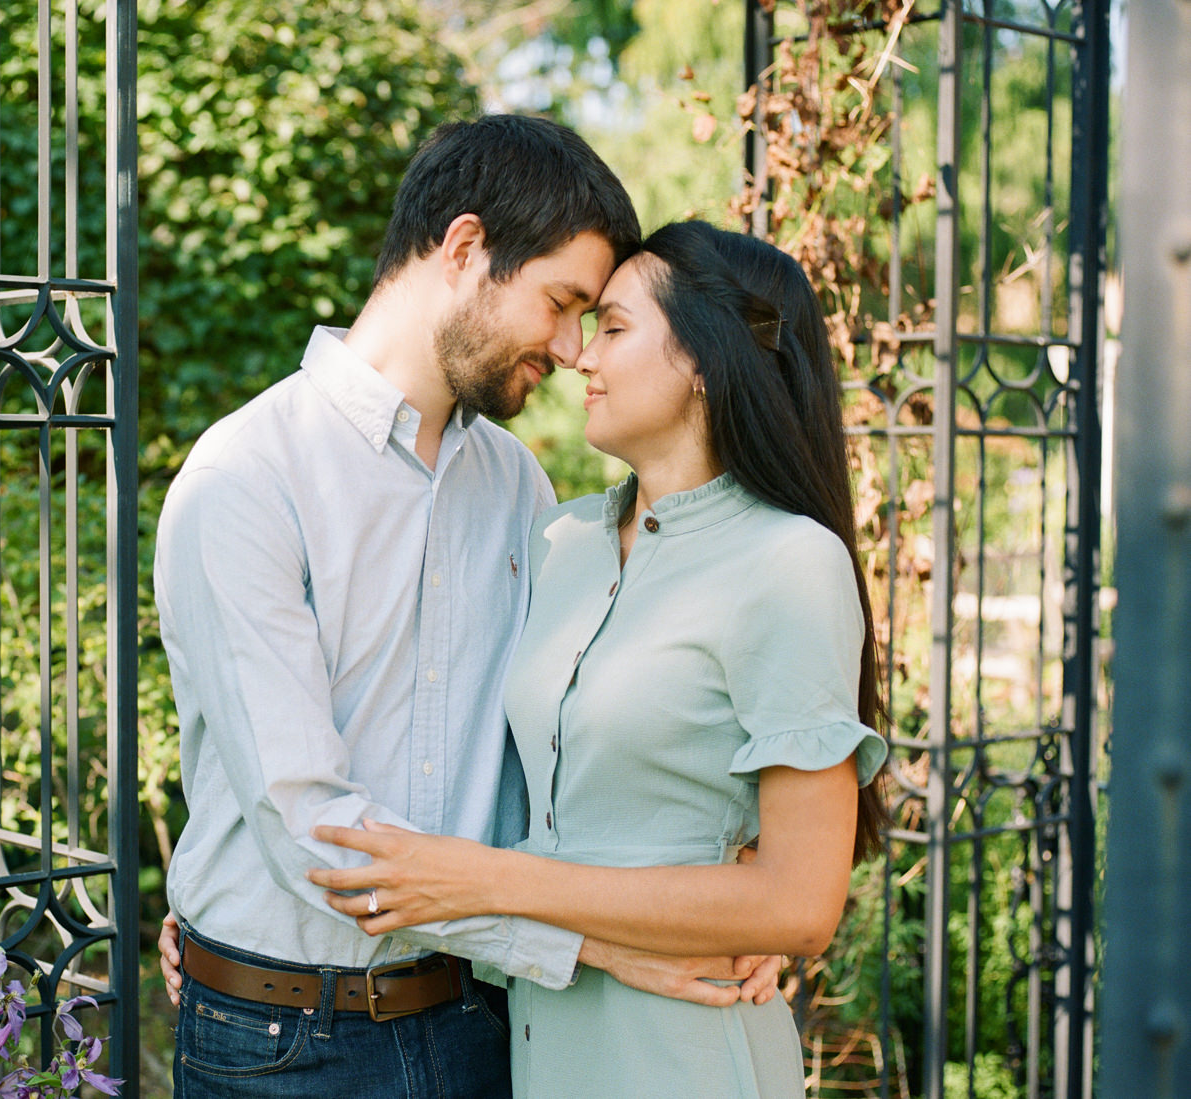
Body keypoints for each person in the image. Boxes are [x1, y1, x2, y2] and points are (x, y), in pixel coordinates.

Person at [152, 119, 779, 1098]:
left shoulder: (520, 488)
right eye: (564, 304)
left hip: (486, 1021)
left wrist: (720, 886)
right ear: (465, 249)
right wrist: (589, 943)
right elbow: (315, 836)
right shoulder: (247, 476)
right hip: (285, 1045)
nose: (575, 351)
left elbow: (567, 747)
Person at [308, 219, 891, 1098]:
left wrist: (485, 879)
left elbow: (801, 904)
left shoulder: (791, 563)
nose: (581, 355)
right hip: (537, 1047)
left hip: (690, 1050)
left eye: (613, 328)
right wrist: (230, 904)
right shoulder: (561, 538)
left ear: (704, 358)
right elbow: (452, 752)